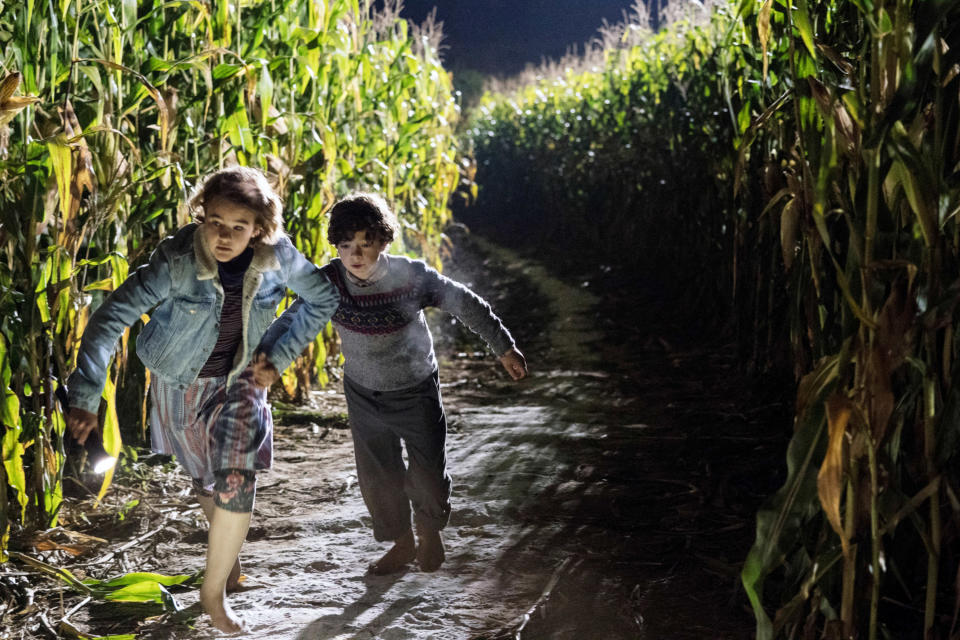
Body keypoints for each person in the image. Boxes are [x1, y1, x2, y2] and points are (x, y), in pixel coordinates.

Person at [65, 166, 339, 632]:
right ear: (202, 215)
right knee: (206, 480)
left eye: (239, 227)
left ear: (259, 229)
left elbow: (323, 299)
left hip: (242, 381)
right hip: (180, 384)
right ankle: (226, 564)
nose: (225, 236)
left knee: (236, 475)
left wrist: (277, 355)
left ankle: (212, 595)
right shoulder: (175, 262)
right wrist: (86, 396)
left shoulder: (280, 258)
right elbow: (109, 321)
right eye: (215, 222)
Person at [256, 192, 527, 575]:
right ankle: (402, 544)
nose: (356, 254)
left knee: (428, 474)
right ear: (336, 246)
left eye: (366, 244)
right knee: (378, 478)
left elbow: (465, 303)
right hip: (363, 393)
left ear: (384, 242)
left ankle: (429, 530)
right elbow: (290, 321)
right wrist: (266, 359)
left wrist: (504, 347)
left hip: (415, 388)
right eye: (346, 245)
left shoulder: (411, 277)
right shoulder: (328, 283)